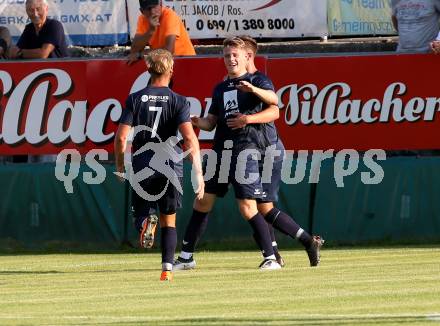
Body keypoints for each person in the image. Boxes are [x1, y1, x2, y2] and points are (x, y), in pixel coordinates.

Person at [174, 36, 324, 271]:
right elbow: (211, 122)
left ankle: (271, 258)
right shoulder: (221, 87)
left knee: (251, 206)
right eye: (227, 55)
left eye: (235, 55)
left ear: (247, 57)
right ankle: (186, 257)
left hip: (246, 151)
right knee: (202, 201)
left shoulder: (258, 80)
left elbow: (275, 107)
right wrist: (193, 120)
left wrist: (249, 113)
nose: (231, 59)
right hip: (220, 151)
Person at [114, 48, 204, 281]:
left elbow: (122, 137)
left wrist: (120, 166)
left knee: (141, 215)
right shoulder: (179, 101)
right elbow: (189, 138)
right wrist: (199, 173)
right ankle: (167, 270)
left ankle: (145, 221)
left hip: (143, 163)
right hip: (170, 166)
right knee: (169, 219)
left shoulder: (135, 98)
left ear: (147, 68)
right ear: (171, 70)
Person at [127, 0, 195, 65]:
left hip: (186, 60)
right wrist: (150, 31)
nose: (152, 12)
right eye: (148, 9)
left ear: (161, 4)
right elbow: (134, 51)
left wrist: (141, 54)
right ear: (142, 11)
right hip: (163, 62)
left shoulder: (170, 15)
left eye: (154, 6)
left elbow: (168, 52)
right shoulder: (142, 19)